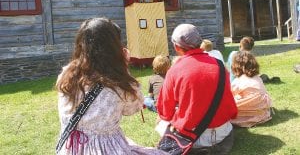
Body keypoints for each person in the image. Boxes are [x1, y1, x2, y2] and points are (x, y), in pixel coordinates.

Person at [56, 17, 167, 155]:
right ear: (113, 47)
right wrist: (123, 67)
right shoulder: (118, 82)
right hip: (106, 149)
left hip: (70, 147)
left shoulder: (67, 74)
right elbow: (134, 107)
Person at [156, 24, 237, 154]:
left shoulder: (175, 70)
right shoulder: (220, 65)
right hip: (224, 135)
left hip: (191, 140)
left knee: (161, 121)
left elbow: (165, 112)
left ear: (177, 47)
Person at [230, 51, 272, 127]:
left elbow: (229, 95)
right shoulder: (257, 78)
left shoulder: (238, 81)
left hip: (243, 115)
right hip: (261, 115)